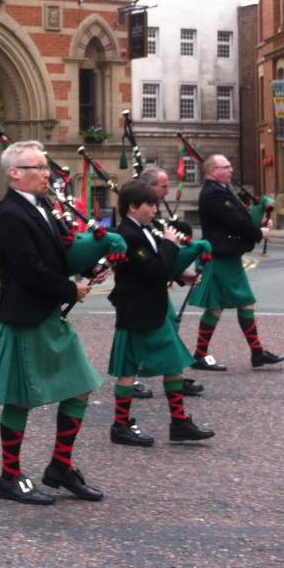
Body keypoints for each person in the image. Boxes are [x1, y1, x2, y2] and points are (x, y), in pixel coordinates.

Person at [0, 140, 105, 505]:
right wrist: (71, 289)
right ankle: (9, 476)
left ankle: (60, 467)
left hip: (49, 315)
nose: (46, 173)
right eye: (39, 167)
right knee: (19, 400)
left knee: (81, 385)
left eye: (45, 167)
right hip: (25, 317)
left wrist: (90, 266)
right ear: (14, 173)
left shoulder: (42, 205)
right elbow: (29, 270)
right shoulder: (9, 215)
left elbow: (58, 253)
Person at [106, 181, 215, 447]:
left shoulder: (143, 230)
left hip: (152, 309)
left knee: (173, 364)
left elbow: (157, 266)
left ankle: (178, 423)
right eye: (150, 205)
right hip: (137, 310)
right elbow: (152, 269)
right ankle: (120, 426)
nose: (155, 210)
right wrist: (169, 243)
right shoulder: (127, 235)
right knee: (128, 369)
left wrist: (180, 275)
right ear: (132, 207)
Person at [187, 155, 284, 371]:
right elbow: (236, 222)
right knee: (217, 307)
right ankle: (201, 356)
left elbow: (239, 219)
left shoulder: (223, 190)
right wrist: (259, 233)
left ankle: (256, 353)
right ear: (213, 172)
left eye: (230, 166)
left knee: (241, 302)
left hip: (228, 257)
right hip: (219, 257)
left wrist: (259, 223)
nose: (230, 170)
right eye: (226, 167)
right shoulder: (213, 193)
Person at [137, 166, 205, 399]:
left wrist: (179, 274)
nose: (167, 191)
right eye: (163, 187)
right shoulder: (138, 218)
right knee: (138, 337)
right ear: (149, 187)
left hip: (157, 287)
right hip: (140, 289)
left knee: (170, 329)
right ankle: (130, 378)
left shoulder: (152, 215)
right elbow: (150, 257)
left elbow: (161, 256)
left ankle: (174, 376)